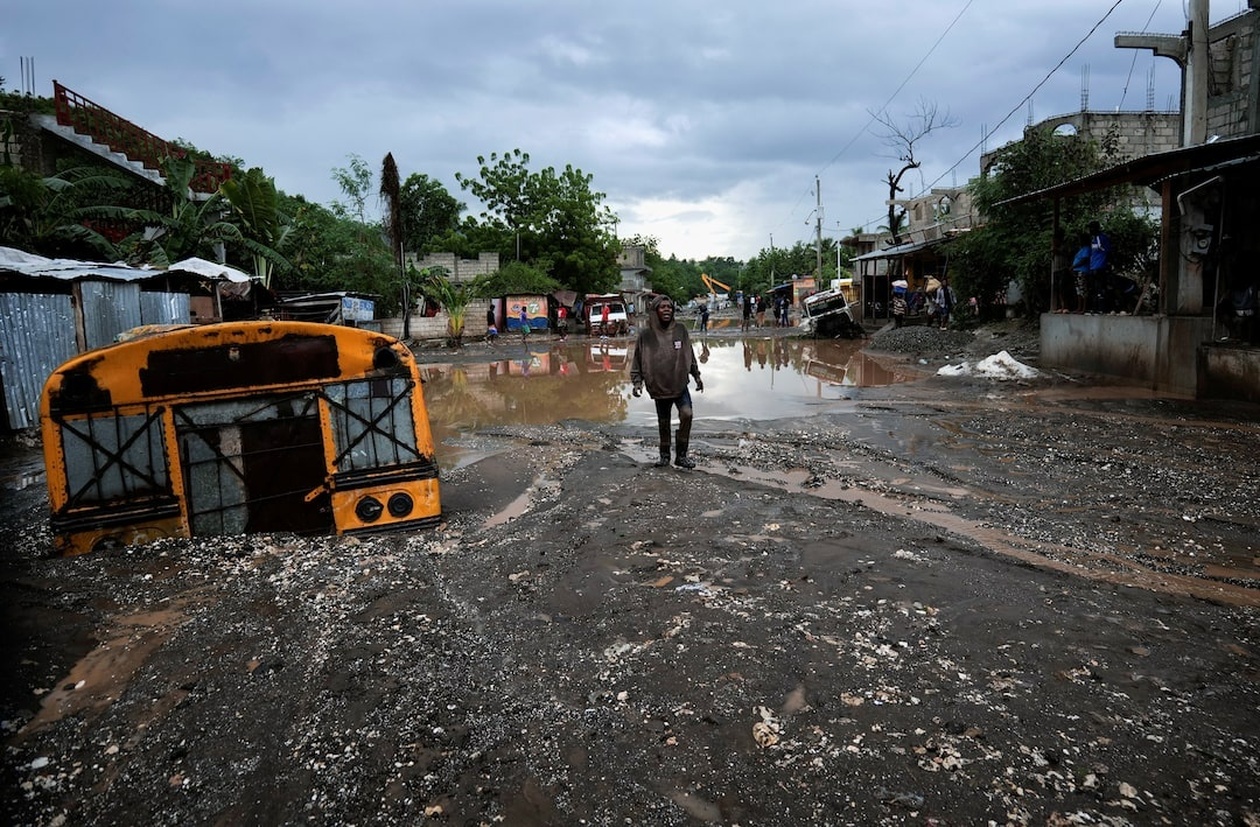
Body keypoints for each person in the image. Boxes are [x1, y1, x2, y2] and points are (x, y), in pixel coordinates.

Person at [630, 295, 703, 469]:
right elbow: (637, 361)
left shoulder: (681, 330)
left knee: (687, 414)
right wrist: (637, 382)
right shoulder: (646, 336)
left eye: (669, 307)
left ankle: (682, 455)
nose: (666, 310)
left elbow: (689, 354)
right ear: (655, 311)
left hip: (679, 384)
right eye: (662, 307)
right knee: (664, 422)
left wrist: (697, 375)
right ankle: (664, 456)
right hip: (659, 385)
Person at [1088, 220, 1112, 313]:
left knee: (1100, 288)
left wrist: (1107, 263)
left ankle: (1102, 308)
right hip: (1093, 266)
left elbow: (1108, 251)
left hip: (1100, 266)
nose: (1090, 230)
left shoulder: (1102, 238)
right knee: (1094, 288)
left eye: (1091, 228)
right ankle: (1095, 308)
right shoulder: (1093, 239)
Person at [1071, 233, 1091, 313]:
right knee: (1078, 290)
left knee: (1083, 289)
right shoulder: (1081, 249)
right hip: (1077, 271)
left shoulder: (1087, 249)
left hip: (1082, 271)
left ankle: (1083, 308)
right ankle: (1079, 307)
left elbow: (1084, 259)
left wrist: (1073, 266)